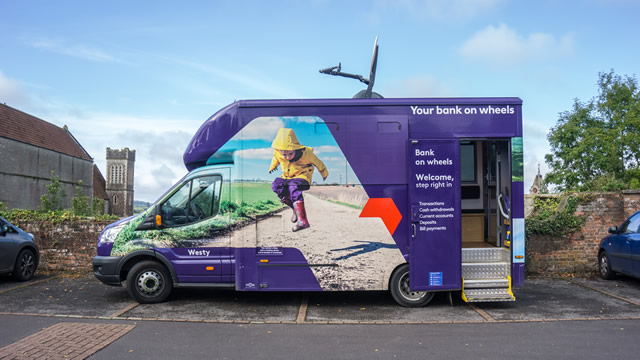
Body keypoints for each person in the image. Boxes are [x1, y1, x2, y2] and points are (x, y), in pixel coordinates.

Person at [269, 128, 328, 231]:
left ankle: (303, 221)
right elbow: (275, 159)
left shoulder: (306, 153)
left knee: (293, 186)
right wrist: (272, 167)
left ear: (295, 149)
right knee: (276, 184)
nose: (287, 157)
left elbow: (318, 162)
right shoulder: (278, 153)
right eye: (284, 155)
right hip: (287, 177)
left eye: (290, 154)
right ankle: (295, 209)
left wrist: (324, 173)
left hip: (303, 177)